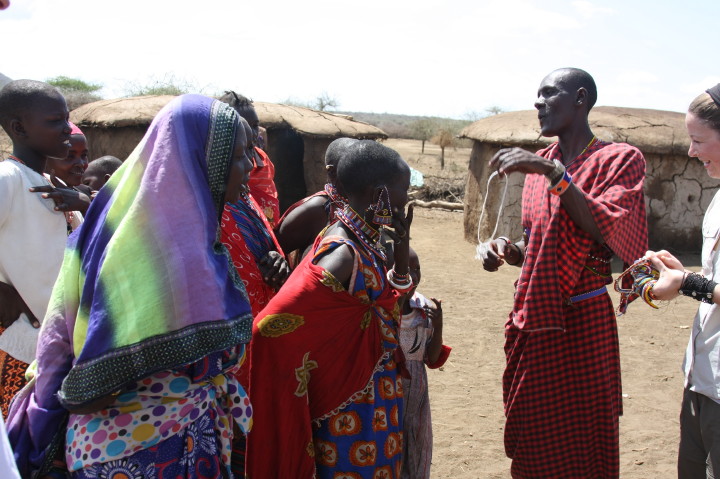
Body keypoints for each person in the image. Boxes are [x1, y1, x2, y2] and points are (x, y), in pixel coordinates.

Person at [7, 94, 255, 479]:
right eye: (239, 155)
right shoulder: (160, 254)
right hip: (140, 452)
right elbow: (92, 387)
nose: (250, 166)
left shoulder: (169, 235)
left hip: (167, 437)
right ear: (205, 161)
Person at [480, 68, 648, 478]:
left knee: (585, 437)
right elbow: (536, 244)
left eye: (548, 93)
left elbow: (604, 227)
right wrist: (508, 250)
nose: (538, 102)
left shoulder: (619, 159)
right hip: (536, 318)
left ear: (580, 99)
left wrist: (553, 174)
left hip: (584, 320)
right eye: (536, 95)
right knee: (535, 436)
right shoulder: (542, 166)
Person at [246, 140, 412, 478]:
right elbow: (269, 326)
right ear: (379, 194)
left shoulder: (364, 238)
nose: (406, 198)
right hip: (350, 411)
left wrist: (402, 244)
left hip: (374, 401)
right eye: (403, 189)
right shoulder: (343, 252)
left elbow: (382, 305)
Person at [644, 83, 720, 478]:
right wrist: (682, 274)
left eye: (698, 140)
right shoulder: (718, 199)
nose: (690, 151)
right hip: (702, 378)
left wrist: (689, 283)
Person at [0, 79, 73, 417]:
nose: (67, 129)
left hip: (53, 346)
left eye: (67, 118)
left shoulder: (53, 184)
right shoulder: (8, 179)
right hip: (20, 347)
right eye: (55, 121)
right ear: (19, 128)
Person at [397, 247, 450, 479]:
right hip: (389, 395)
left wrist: (438, 325)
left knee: (417, 449)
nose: (414, 276)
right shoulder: (383, 308)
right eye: (406, 269)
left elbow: (432, 357)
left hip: (417, 398)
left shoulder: (423, 308)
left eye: (417, 269)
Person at [274, 137, 356, 266]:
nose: (364, 175)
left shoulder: (368, 207)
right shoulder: (316, 209)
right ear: (332, 173)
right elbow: (274, 252)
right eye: (355, 169)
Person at [218, 91, 281, 227]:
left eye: (255, 126)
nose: (252, 132)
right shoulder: (221, 163)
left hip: (265, 228)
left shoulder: (263, 158)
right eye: (244, 124)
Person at [44, 121, 89, 228]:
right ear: (45, 159)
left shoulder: (81, 197)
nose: (81, 163)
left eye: (84, 155)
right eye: (69, 156)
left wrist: (86, 207)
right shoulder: (40, 198)